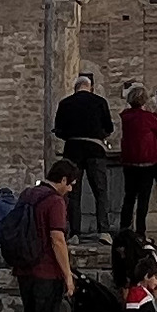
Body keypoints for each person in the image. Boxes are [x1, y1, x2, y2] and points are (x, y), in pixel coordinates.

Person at [10, 157, 77, 312]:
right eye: (70, 185)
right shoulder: (55, 201)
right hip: (46, 273)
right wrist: (68, 276)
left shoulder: (28, 194)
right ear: (63, 180)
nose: (70, 190)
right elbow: (57, 239)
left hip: (24, 270)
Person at [54, 71, 117, 235]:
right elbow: (109, 128)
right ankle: (103, 230)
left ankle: (75, 232)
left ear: (76, 88)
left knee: (73, 192)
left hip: (73, 150)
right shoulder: (100, 102)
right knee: (100, 191)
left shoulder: (65, 103)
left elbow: (59, 130)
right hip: (95, 150)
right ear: (91, 88)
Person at [117, 82, 157, 247]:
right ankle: (140, 232)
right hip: (147, 163)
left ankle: (124, 229)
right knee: (143, 199)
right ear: (144, 101)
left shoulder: (126, 117)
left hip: (129, 163)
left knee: (129, 197)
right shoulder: (147, 118)